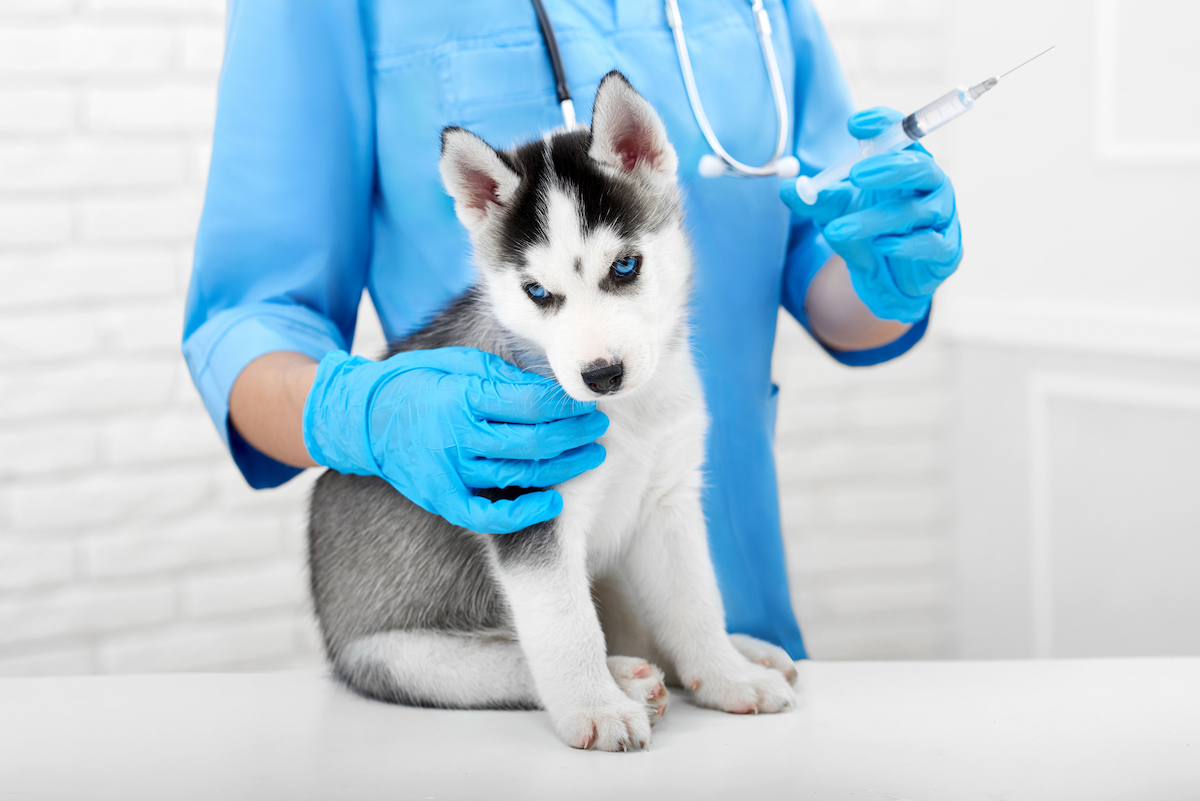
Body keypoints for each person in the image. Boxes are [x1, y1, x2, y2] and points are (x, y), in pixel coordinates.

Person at [182, 0, 962, 660]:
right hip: (506, 645)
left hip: (735, 616)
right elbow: (249, 318)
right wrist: (365, 414)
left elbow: (821, 268)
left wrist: (883, 268)